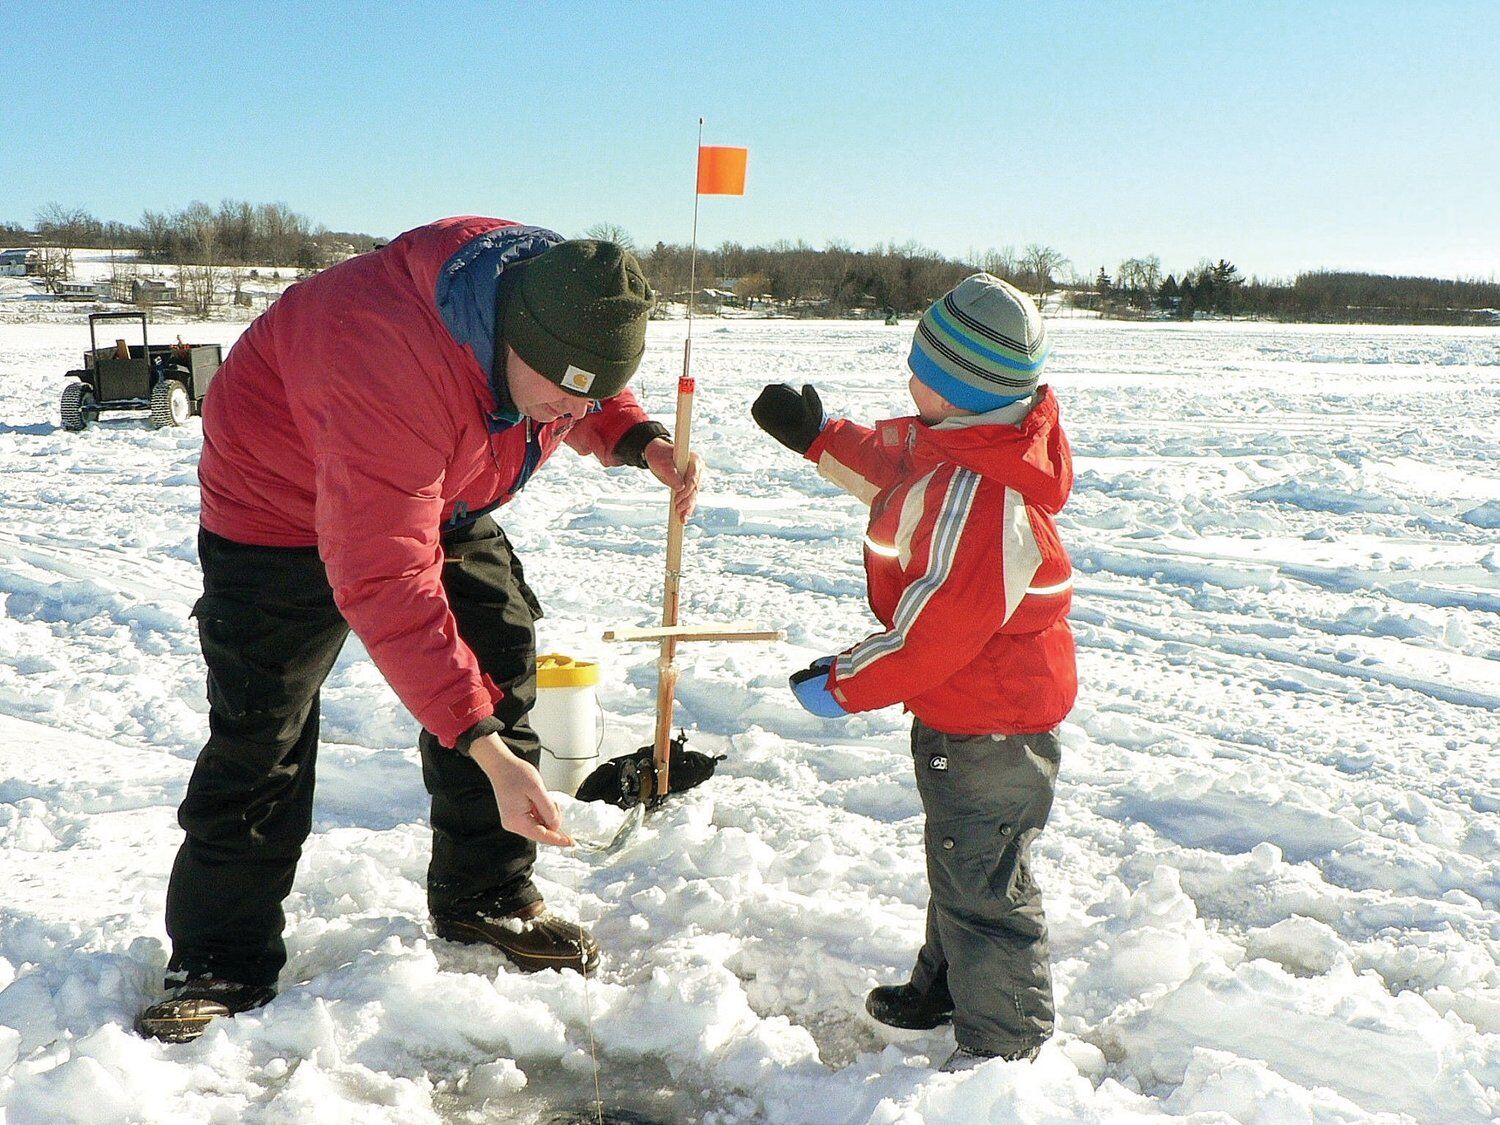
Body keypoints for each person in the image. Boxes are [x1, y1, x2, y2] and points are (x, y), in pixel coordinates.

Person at [136, 218, 702, 1043]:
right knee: (266, 727)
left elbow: (584, 376)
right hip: (278, 509)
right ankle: (220, 956)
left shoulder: (556, 296)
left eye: (579, 402)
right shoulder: (381, 357)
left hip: (439, 486)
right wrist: (479, 743)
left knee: (500, 657)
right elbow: (385, 578)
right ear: (509, 335)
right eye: (557, 400)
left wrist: (630, 433)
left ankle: (485, 894)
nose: (564, 417)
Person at [751, 274, 1075, 1071]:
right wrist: (817, 433)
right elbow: (895, 463)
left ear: (961, 391)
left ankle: (1006, 1049)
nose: (908, 378)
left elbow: (931, 635)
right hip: (971, 713)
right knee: (961, 860)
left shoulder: (983, 498)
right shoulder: (965, 443)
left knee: (983, 884)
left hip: (988, 724)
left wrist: (844, 680)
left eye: (921, 370)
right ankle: (948, 989)